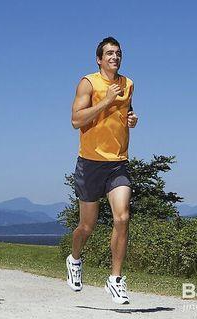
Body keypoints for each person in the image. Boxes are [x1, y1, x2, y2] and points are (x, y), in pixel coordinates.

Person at [67, 37, 138, 304]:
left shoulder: (128, 84)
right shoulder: (88, 83)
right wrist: (106, 101)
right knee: (87, 225)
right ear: (99, 59)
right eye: (109, 53)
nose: (114, 57)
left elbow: (127, 111)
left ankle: (115, 280)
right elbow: (76, 120)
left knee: (122, 217)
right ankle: (74, 259)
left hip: (118, 162)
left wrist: (132, 117)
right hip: (90, 162)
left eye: (118, 53)